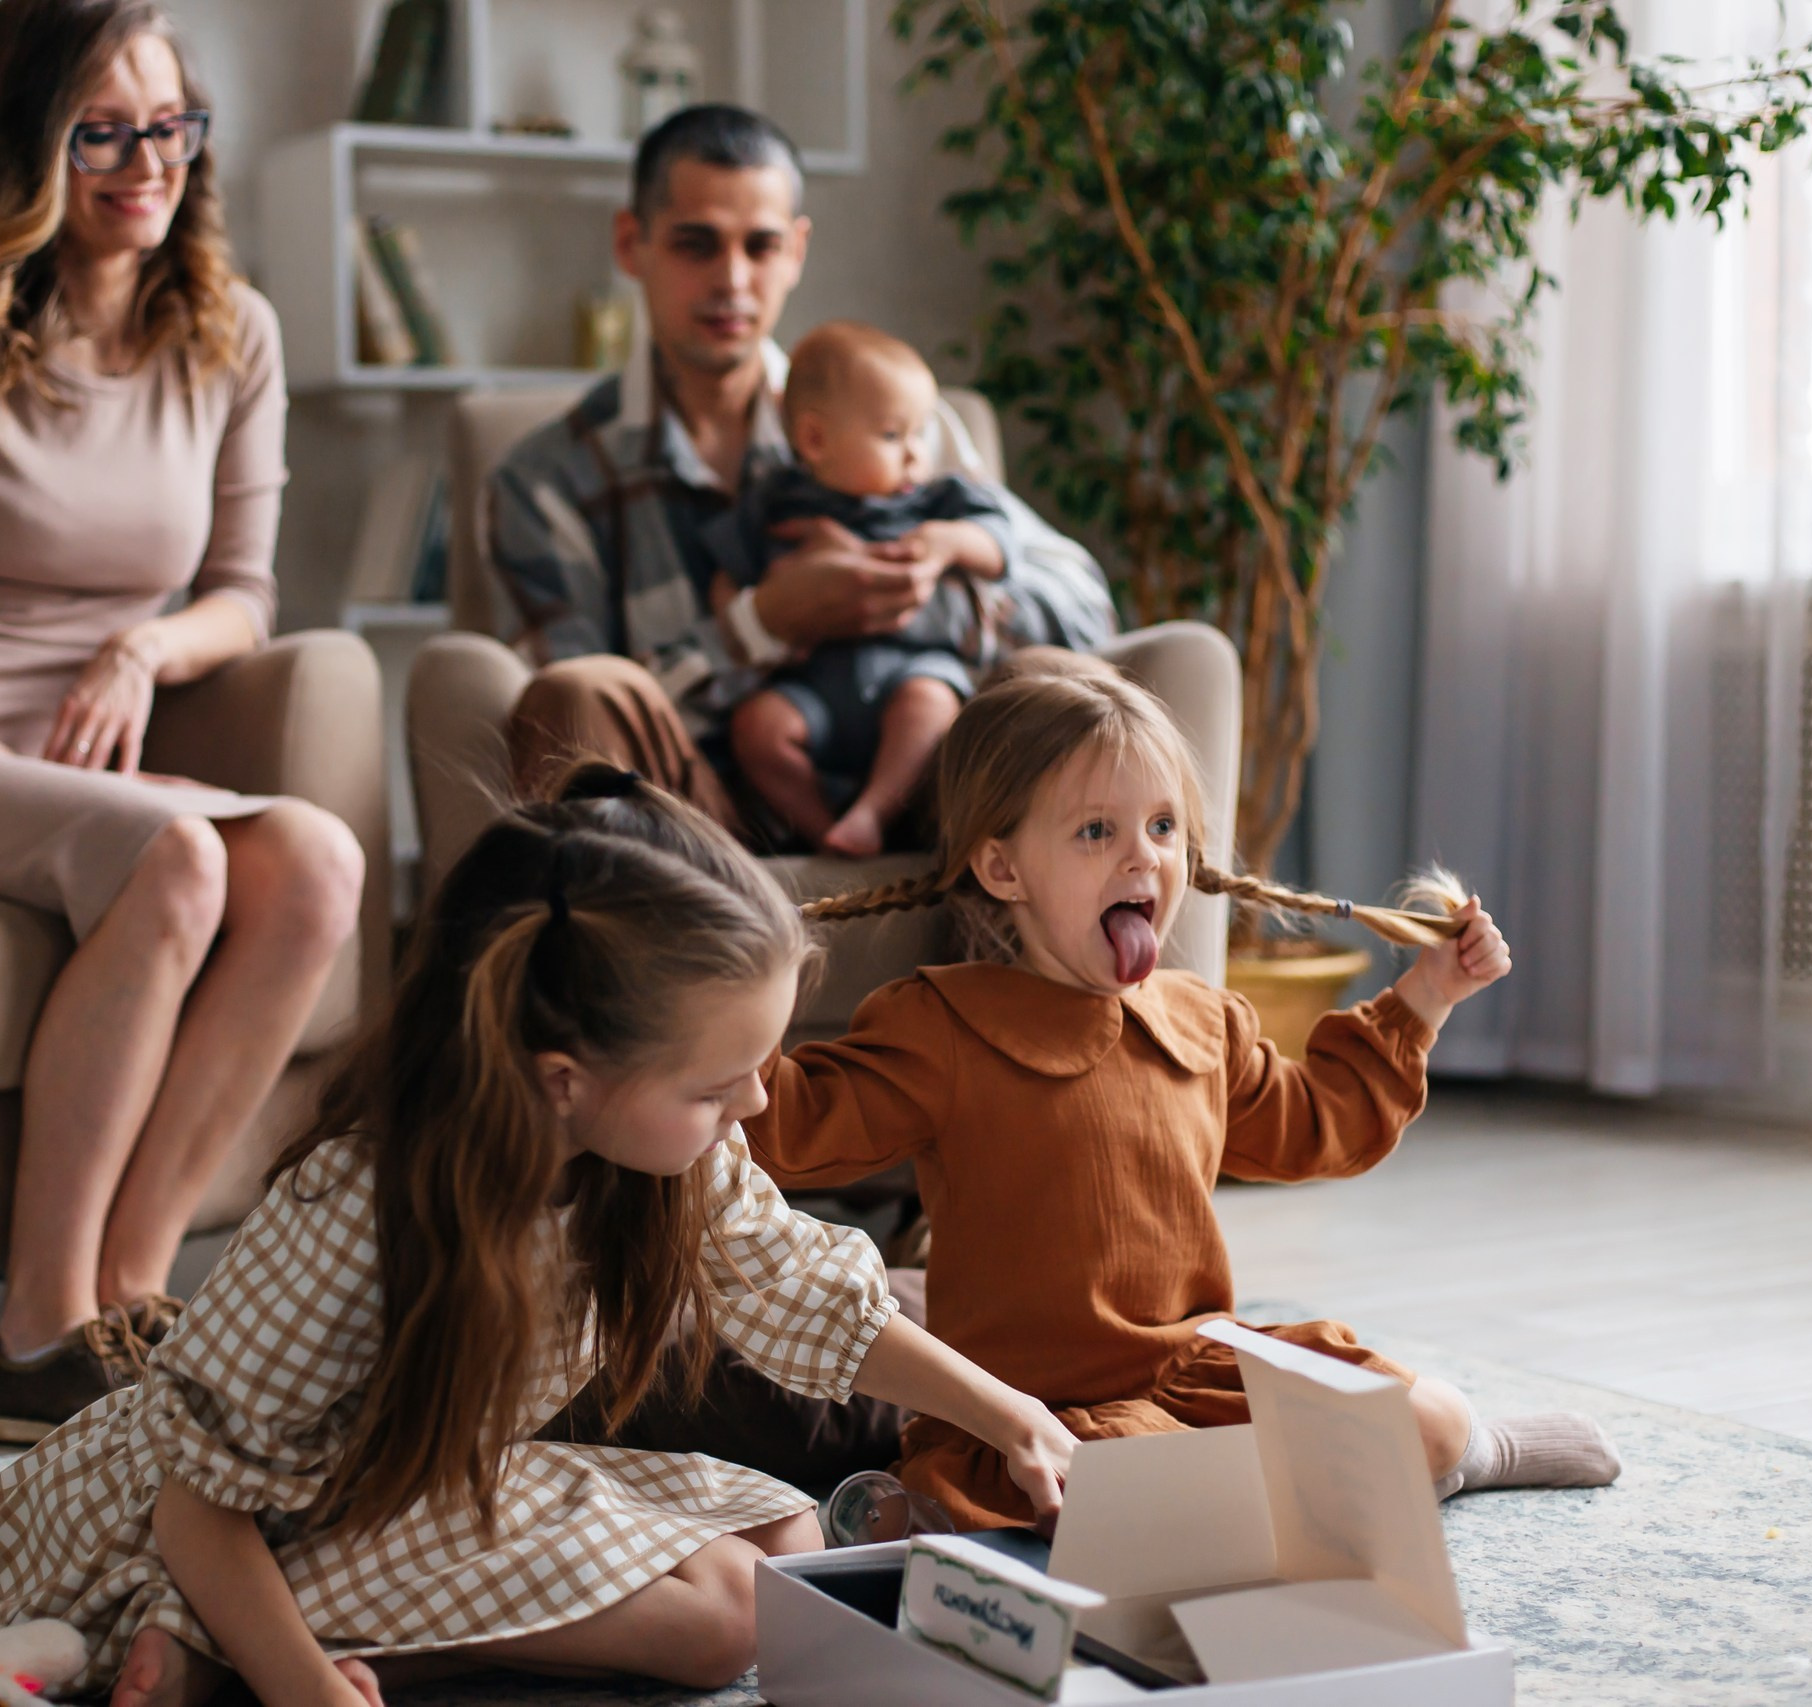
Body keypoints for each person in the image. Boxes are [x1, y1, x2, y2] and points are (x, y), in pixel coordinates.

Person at [0, 765, 1081, 1707]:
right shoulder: (353, 1217)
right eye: (720, 1085)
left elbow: (801, 1294)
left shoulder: (664, 1154)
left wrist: (1008, 1414)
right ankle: (220, 1646)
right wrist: (303, 1685)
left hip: (420, 1488)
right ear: (563, 1079)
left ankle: (271, 1643)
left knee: (786, 1545)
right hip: (208, 1528)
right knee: (725, 1626)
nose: (757, 1111)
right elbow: (195, 1501)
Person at [0, 0, 363, 1443]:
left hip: (68, 762)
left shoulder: (232, 336)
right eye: (101, 130)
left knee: (319, 864)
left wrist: (137, 649)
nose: (145, 161)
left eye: (170, 125)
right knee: (177, 853)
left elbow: (244, 593)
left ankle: (130, 1294)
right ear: (25, 145)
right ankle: (32, 1332)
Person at [746, 669, 1624, 1530]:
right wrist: (735, 1015)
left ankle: (1472, 1454)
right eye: (1097, 830)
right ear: (1004, 868)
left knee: (1424, 1415)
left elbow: (1319, 1124)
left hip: (1202, 1368)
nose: (1144, 856)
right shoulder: (942, 1024)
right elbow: (790, 1127)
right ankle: (1291, 1498)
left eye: (1163, 826)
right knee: (1116, 1492)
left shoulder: (1201, 1020)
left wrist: (1425, 998)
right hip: (1044, 1408)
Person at [487, 104, 1115, 848]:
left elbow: (1084, 610)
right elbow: (566, 724)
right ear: (633, 243)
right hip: (688, 826)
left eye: (761, 245)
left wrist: (894, 590)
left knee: (1050, 676)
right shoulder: (547, 478)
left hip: (920, 799)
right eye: (697, 244)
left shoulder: (895, 419)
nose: (732, 280)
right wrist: (764, 622)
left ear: (797, 251)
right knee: (583, 692)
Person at [712, 321, 1010, 858]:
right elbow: (726, 573)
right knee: (757, 727)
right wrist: (749, 616)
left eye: (921, 434)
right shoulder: (774, 501)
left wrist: (948, 543)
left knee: (932, 704)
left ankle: (874, 812)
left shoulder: (930, 501)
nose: (917, 454)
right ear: (815, 440)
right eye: (895, 436)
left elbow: (998, 543)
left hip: (908, 671)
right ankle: (825, 827)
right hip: (813, 689)